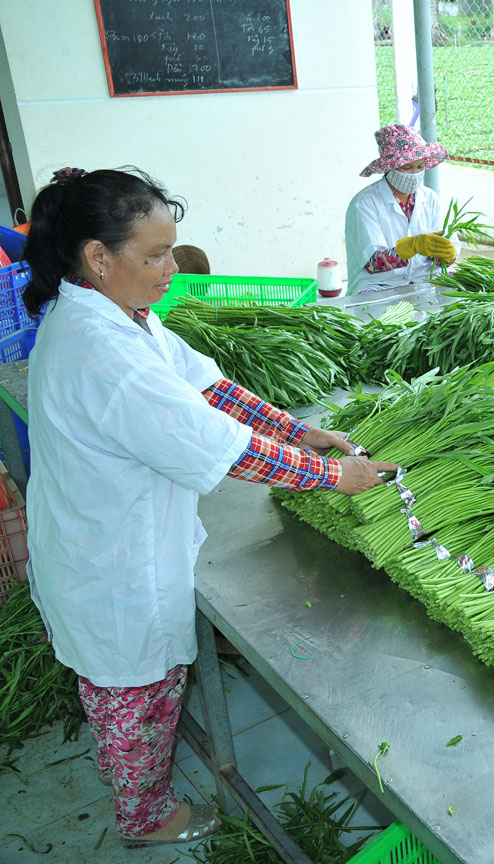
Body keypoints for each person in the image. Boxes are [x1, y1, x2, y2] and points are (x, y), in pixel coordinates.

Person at [22, 167, 399, 849]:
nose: (173, 269)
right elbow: (220, 448)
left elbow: (205, 386)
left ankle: (136, 781)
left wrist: (293, 428)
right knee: (135, 696)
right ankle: (147, 819)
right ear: (99, 256)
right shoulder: (100, 350)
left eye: (171, 250)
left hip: (109, 542)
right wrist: (332, 475)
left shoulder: (119, 316)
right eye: (156, 255)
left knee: (135, 689)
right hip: (111, 566)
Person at [344, 124, 456, 294]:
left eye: (420, 167)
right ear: (389, 167)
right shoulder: (365, 203)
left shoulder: (430, 199)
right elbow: (372, 263)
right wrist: (412, 246)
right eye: (407, 167)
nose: (414, 174)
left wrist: (447, 255)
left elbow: (447, 248)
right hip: (378, 286)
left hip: (424, 281)